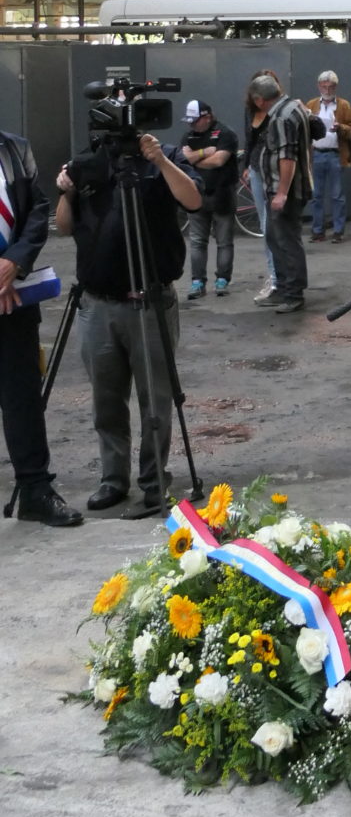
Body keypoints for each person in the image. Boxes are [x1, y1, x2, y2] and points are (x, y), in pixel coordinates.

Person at [55, 129, 203, 519]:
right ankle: (113, 479)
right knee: (106, 400)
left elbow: (193, 200)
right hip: (97, 303)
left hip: (150, 301)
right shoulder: (89, 161)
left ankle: (154, 481)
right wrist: (66, 191)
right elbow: (64, 227)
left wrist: (160, 161)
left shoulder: (164, 156)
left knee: (156, 398)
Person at [0, 129, 82, 528]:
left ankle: (35, 491)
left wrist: (14, 262)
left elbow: (36, 208)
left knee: (23, 398)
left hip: (13, 295)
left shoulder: (14, 147)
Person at [246, 73, 312, 314]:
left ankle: (292, 294)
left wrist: (282, 193)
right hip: (283, 189)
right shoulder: (293, 107)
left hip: (285, 191)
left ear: (259, 100)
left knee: (286, 242)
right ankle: (284, 290)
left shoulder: (281, 117)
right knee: (277, 239)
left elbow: (287, 157)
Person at [180, 100, 239, 298]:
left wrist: (194, 159)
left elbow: (218, 161)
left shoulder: (225, 133)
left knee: (224, 242)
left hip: (222, 194)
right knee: (197, 241)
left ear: (207, 117)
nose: (191, 125)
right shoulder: (188, 136)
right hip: (196, 195)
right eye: (189, 121)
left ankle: (222, 280)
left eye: (195, 121)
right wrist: (204, 152)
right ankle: (197, 282)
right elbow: (182, 160)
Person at [305, 69, 351, 244]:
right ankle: (318, 231)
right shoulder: (311, 104)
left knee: (337, 196)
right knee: (316, 196)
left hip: (336, 154)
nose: (327, 90)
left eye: (330, 87)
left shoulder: (344, 106)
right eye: (324, 86)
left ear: (336, 87)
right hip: (317, 154)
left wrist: (340, 128)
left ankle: (338, 231)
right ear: (318, 86)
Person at [243, 72, 279, 301]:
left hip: (273, 171)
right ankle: (274, 275)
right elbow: (249, 139)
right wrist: (246, 165)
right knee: (265, 227)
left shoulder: (279, 111)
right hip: (256, 168)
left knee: (271, 226)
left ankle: (277, 279)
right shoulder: (250, 111)